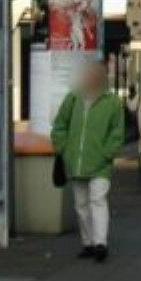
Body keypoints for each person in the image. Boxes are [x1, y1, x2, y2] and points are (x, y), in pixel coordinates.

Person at [51, 60, 125, 263]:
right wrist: (64, 148)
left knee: (98, 200)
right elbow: (60, 125)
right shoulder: (73, 98)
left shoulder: (112, 102)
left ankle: (101, 243)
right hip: (76, 162)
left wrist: (107, 153)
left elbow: (117, 132)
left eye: (97, 74)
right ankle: (88, 242)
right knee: (81, 205)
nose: (92, 77)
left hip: (101, 164)